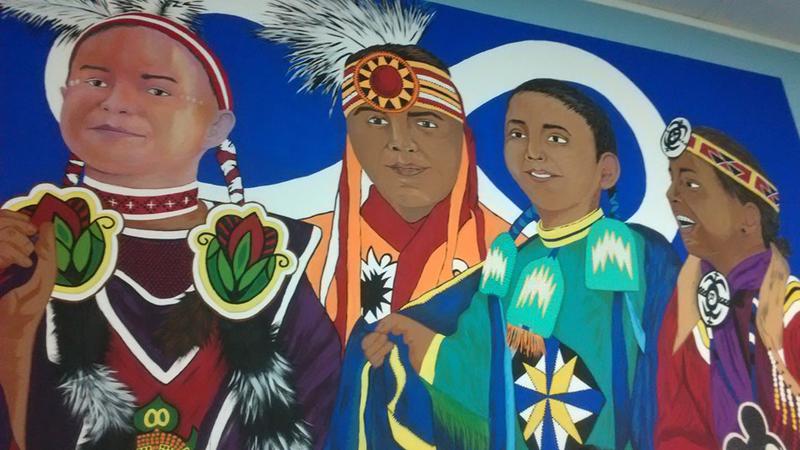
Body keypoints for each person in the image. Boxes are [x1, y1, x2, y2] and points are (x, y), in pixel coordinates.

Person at [0, 6, 339, 450]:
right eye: (95, 82)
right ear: (65, 98)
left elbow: (316, 409)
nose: (114, 102)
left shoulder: (271, 258)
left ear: (216, 127)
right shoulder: (19, 242)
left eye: (157, 89)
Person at [335, 78, 680, 449]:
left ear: (606, 170)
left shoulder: (643, 256)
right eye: (518, 134)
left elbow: (679, 374)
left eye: (556, 138)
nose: (532, 152)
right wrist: (411, 341)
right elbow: (474, 371)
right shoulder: (509, 266)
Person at [258, 0, 513, 344]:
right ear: (351, 138)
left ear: (462, 138)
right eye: (376, 122)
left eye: (426, 123)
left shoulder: (513, 252)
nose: (400, 143)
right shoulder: (300, 250)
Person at [654, 119, 799, 449]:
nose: (671, 195)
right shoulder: (685, 309)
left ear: (749, 218)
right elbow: (677, 432)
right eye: (673, 181)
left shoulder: (792, 313)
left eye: (690, 184)